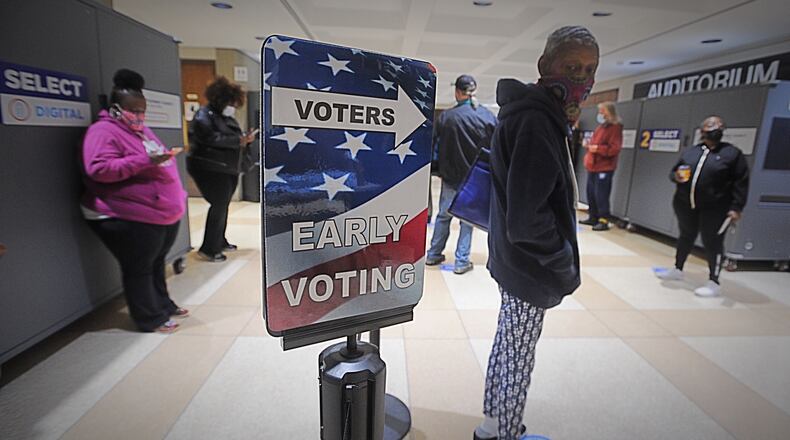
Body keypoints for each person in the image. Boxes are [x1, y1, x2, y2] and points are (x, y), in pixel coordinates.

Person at [476, 26, 598, 440]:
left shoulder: (533, 114)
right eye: (571, 67)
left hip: (513, 261)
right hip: (530, 266)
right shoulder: (537, 122)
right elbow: (529, 219)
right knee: (518, 357)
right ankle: (508, 433)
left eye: (589, 69)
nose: (581, 78)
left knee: (507, 343)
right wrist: (562, 260)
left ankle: (491, 426)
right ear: (545, 67)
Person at [80, 69, 188, 333]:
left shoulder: (141, 131)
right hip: (128, 215)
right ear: (116, 108)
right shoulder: (102, 131)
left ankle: (163, 304)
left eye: (142, 110)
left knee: (155, 263)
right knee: (138, 267)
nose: (139, 115)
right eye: (134, 110)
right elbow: (98, 168)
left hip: (158, 213)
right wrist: (146, 161)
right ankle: (149, 317)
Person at [655, 116, 749, 297]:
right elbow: (674, 172)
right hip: (685, 204)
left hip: (716, 208)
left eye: (718, 127)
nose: (714, 130)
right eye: (710, 127)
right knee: (685, 236)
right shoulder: (692, 152)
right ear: (702, 131)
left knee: (712, 242)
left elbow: (741, 183)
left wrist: (737, 207)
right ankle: (678, 268)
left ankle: (714, 281)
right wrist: (676, 177)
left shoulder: (732, 154)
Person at [426, 74, 497, 275]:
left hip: (450, 178)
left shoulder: (447, 117)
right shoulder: (487, 117)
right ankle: (461, 262)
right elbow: (496, 148)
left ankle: (433, 254)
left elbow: (435, 148)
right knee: (467, 220)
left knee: (443, 216)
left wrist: (436, 169)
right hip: (476, 179)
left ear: (458, 92)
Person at [187, 77, 256, 262]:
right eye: (231, 102)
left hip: (226, 168)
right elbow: (210, 139)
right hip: (209, 168)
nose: (233, 106)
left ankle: (220, 240)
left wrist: (244, 138)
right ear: (221, 99)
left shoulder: (224, 117)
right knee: (218, 205)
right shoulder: (203, 116)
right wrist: (238, 140)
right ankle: (208, 248)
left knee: (223, 205)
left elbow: (228, 137)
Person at [579, 101, 623, 231]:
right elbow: (594, 144)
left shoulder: (615, 128)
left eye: (602, 112)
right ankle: (593, 217)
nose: (600, 114)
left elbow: (614, 149)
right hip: (593, 166)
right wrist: (589, 145)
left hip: (605, 167)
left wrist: (597, 149)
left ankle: (603, 220)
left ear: (609, 113)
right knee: (591, 193)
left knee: (601, 194)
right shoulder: (600, 128)